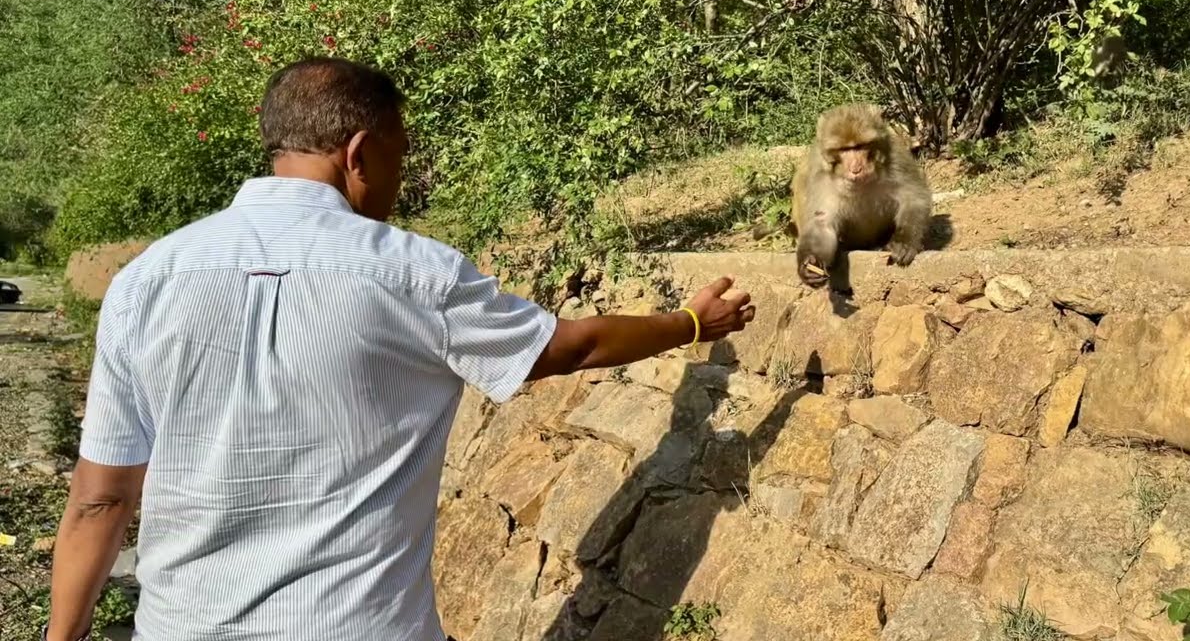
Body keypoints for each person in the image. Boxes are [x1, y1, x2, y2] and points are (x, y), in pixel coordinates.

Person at [44, 57, 755, 641]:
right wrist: (689, 324)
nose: (400, 181)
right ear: (358, 152)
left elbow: (101, 501)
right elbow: (567, 347)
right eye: (399, 157)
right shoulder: (411, 273)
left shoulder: (148, 280)